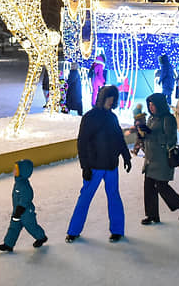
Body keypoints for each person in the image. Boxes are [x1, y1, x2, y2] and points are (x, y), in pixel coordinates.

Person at [66, 85, 132, 243]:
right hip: (94, 166)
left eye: (113, 99)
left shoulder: (112, 117)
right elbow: (81, 143)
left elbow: (119, 138)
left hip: (111, 166)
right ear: (102, 98)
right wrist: (85, 167)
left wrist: (126, 155)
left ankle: (117, 230)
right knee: (85, 197)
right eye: (109, 98)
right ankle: (73, 231)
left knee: (114, 196)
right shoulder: (90, 117)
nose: (111, 101)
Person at [139, 93, 179, 225]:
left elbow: (171, 140)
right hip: (151, 159)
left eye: (153, 105)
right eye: (149, 105)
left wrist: (152, 134)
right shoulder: (151, 119)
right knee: (149, 187)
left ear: (160, 105)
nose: (151, 107)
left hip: (162, 159)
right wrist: (142, 137)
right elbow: (148, 138)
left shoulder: (168, 119)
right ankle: (152, 215)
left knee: (162, 187)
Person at [0, 159, 48, 252]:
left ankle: (41, 237)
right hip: (17, 211)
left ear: (23, 172)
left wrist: (20, 210)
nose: (14, 170)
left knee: (31, 227)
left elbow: (27, 197)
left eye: (16, 169)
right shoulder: (18, 182)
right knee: (13, 227)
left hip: (26, 212)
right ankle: (8, 244)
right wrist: (17, 211)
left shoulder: (24, 185)